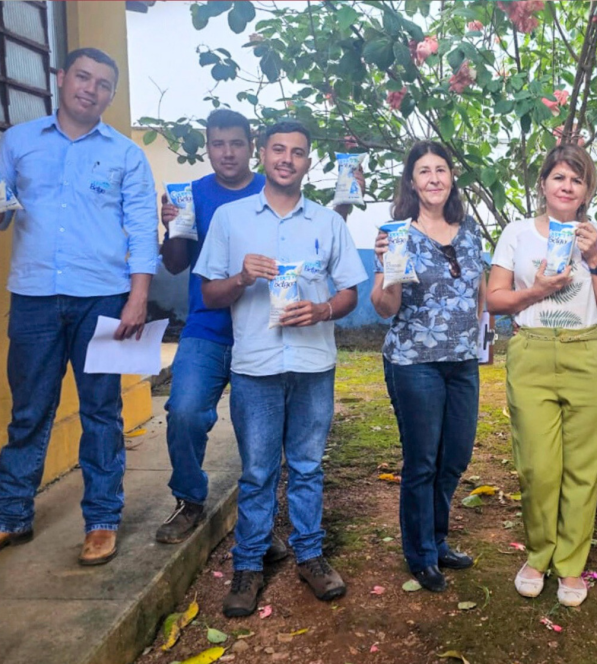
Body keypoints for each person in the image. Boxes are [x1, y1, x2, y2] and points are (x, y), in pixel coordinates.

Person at [0, 48, 158, 566]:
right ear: (62, 78)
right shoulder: (18, 141)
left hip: (108, 297)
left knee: (103, 412)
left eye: (103, 84)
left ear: (111, 95)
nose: (91, 89)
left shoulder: (126, 154)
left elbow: (140, 228)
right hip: (34, 297)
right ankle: (6, 518)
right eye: (83, 77)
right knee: (29, 411)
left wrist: (139, 297)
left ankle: (102, 521)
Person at [156, 110, 362, 550]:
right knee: (186, 412)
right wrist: (170, 226)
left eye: (235, 143)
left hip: (274, 333)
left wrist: (347, 194)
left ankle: (273, 536)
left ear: (254, 147)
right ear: (208, 146)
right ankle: (191, 500)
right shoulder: (192, 196)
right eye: (216, 144)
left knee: (278, 452)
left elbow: (322, 236)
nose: (227, 152)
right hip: (210, 327)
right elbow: (175, 264)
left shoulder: (276, 184)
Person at [194, 120, 368, 617]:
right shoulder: (230, 219)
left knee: (309, 466)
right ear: (262, 156)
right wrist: (243, 276)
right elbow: (208, 295)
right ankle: (247, 565)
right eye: (278, 150)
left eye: (297, 152)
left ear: (309, 162)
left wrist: (322, 310)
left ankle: (310, 556)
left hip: (314, 363)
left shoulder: (328, 223)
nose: (287, 159)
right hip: (256, 364)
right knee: (257, 471)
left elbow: (350, 291)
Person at [487, 144, 597, 606]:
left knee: (583, 467)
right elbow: (495, 300)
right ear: (543, 183)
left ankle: (569, 565)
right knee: (538, 467)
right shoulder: (517, 233)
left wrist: (596, 257)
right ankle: (538, 553)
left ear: (588, 189)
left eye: (577, 180)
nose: (567, 187)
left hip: (587, 354)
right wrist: (537, 290)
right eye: (559, 177)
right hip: (532, 351)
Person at [370, 142, 485, 592]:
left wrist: (478, 337)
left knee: (454, 457)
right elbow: (383, 307)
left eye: (441, 169)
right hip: (413, 361)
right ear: (411, 182)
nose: (434, 178)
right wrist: (388, 270)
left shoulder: (470, 230)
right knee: (422, 462)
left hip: (462, 362)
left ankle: (437, 540)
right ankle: (421, 553)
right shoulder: (396, 233)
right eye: (424, 171)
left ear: (451, 177)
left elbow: (478, 293)